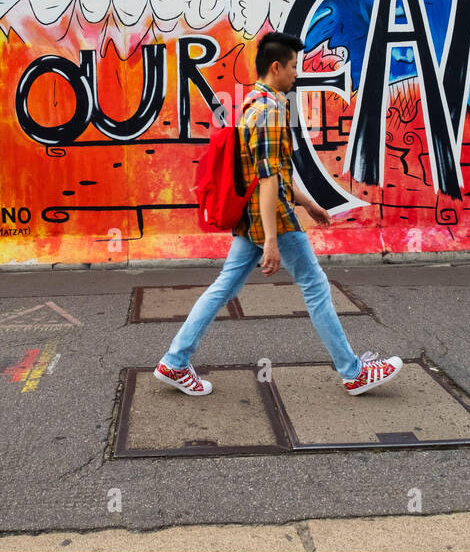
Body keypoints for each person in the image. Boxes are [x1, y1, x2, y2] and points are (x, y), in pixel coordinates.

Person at [154, 30, 402, 397]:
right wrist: (271, 240)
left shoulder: (253, 103)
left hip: (252, 217)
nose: (296, 74)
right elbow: (268, 179)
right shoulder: (270, 111)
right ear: (276, 67)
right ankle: (353, 372)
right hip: (273, 218)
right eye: (293, 67)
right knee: (316, 286)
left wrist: (309, 203)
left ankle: (174, 362)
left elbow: (273, 172)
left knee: (224, 286)